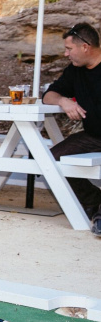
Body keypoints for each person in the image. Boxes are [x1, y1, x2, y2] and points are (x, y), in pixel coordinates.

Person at [43, 23, 101, 235]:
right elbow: (49, 95)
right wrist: (63, 101)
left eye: (69, 49)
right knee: (50, 161)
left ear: (85, 47)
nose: (66, 54)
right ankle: (95, 202)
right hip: (93, 136)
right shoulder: (75, 71)